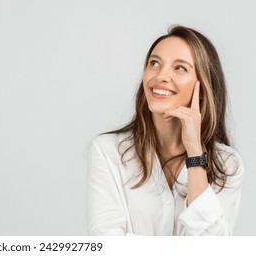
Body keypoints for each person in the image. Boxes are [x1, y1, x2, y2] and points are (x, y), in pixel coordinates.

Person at [87, 25, 244, 235]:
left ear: (202, 88)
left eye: (180, 68)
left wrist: (195, 153)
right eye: (154, 63)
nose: (161, 76)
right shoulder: (107, 151)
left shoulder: (227, 164)